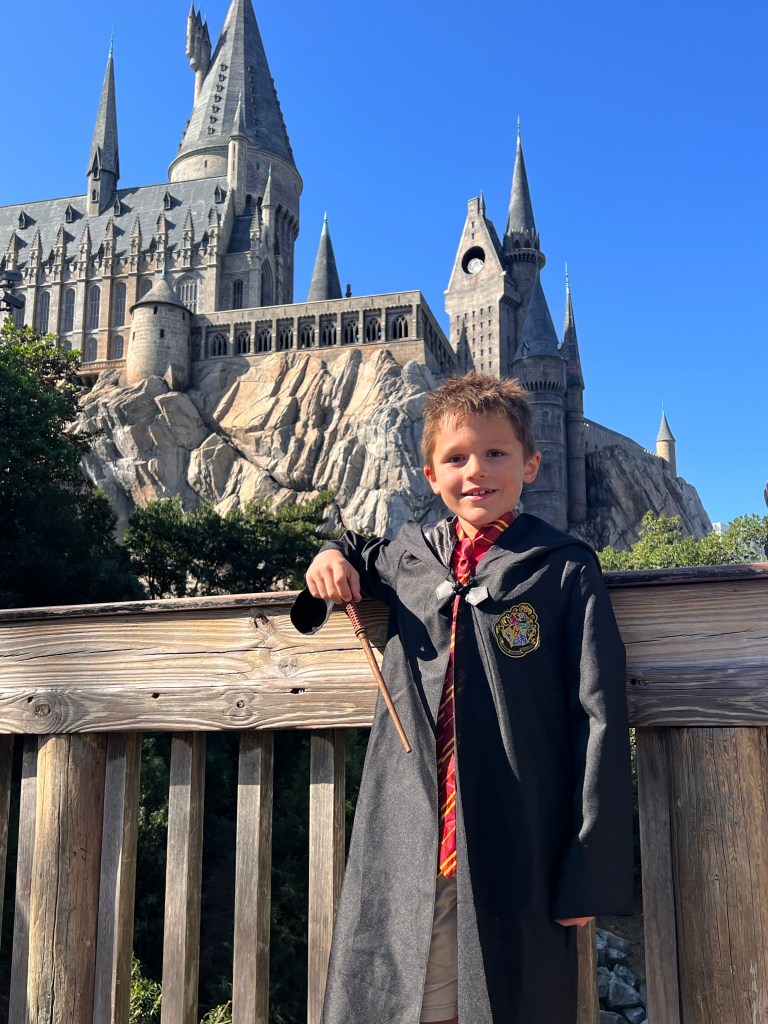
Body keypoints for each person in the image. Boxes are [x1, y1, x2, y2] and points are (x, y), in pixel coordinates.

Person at [290, 372, 634, 1024]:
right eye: (456, 458)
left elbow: (600, 716)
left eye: (496, 452)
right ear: (430, 476)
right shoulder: (411, 556)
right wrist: (330, 556)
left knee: (500, 992)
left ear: (531, 465)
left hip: (518, 831)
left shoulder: (564, 566)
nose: (476, 470)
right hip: (410, 829)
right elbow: (356, 552)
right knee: (401, 992)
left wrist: (589, 862)